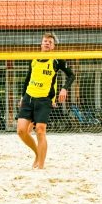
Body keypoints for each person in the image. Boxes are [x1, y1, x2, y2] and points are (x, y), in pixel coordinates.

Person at [16, 33, 75, 169]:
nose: (47, 43)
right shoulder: (34, 58)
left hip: (44, 99)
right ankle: (38, 153)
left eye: (50, 42)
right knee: (21, 131)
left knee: (40, 130)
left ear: (53, 46)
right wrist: (21, 96)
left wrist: (64, 89)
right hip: (29, 97)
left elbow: (71, 75)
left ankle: (41, 167)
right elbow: (27, 78)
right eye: (45, 41)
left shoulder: (57, 60)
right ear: (41, 44)